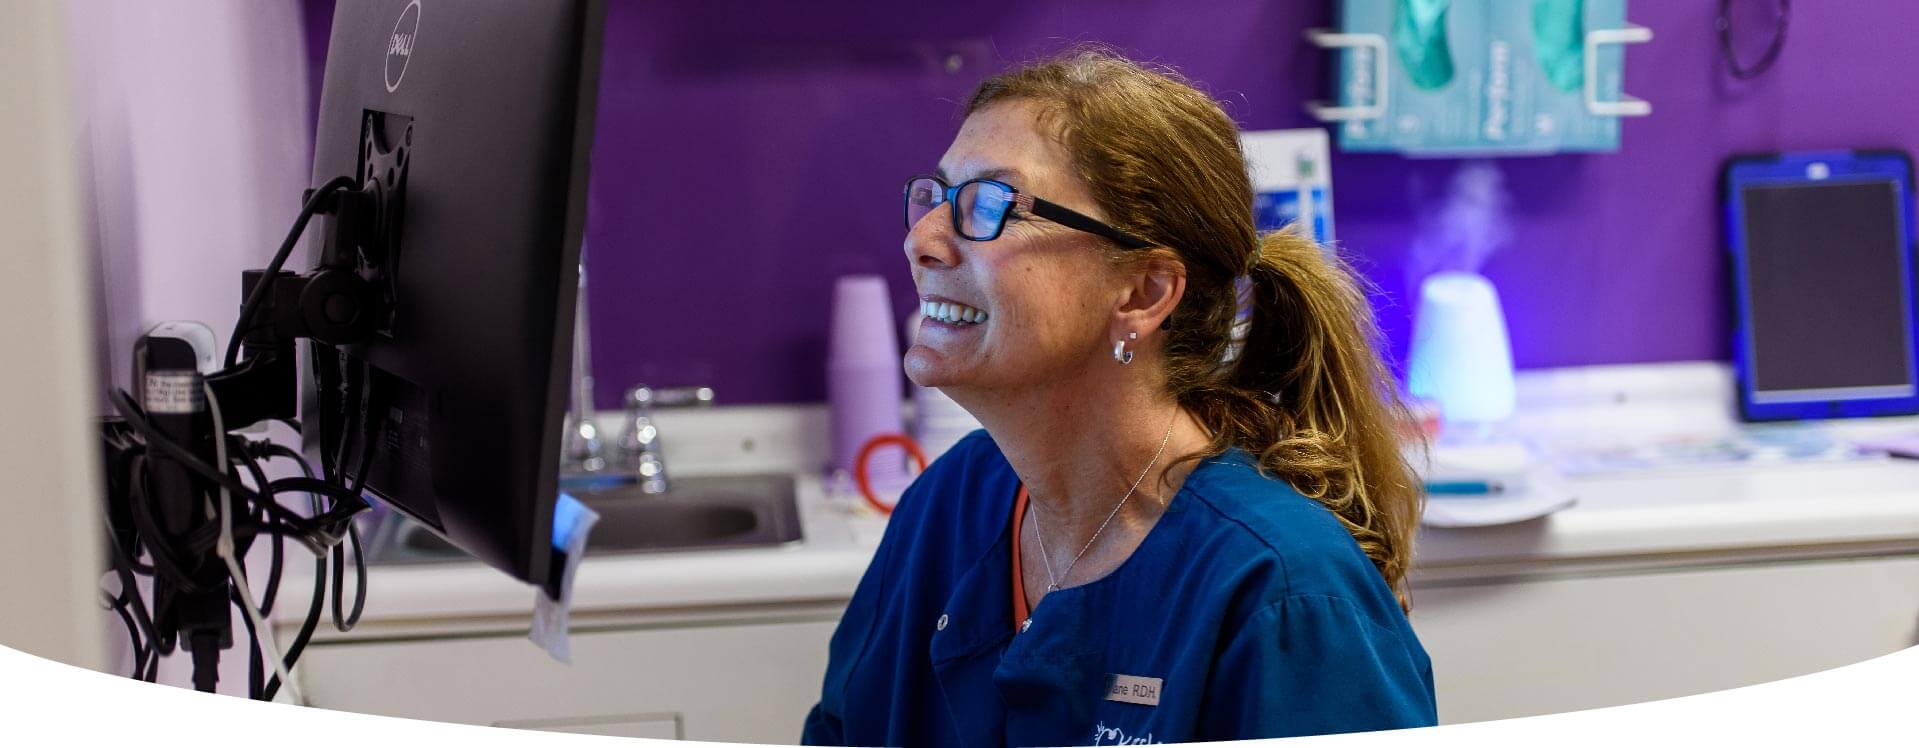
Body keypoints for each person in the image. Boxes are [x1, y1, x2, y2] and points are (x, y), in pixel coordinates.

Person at [803, 48, 1435, 746]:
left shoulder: (1281, 590)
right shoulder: (949, 504)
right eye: (936, 197)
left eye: (990, 205)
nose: (922, 240)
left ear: (1142, 293)